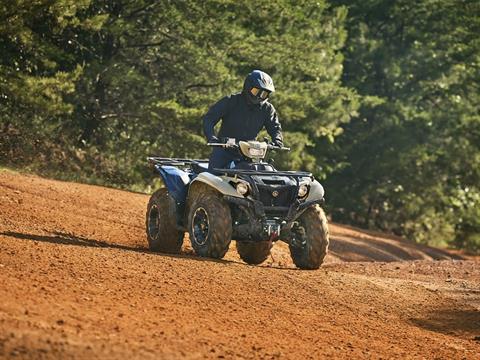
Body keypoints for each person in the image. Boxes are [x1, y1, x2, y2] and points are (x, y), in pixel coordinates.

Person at [203, 70, 283, 170]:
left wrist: (277, 140)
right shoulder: (231, 101)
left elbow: (275, 128)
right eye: (256, 91)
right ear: (248, 87)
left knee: (267, 171)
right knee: (213, 177)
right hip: (224, 151)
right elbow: (209, 119)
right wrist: (211, 137)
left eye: (264, 94)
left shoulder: (267, 109)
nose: (259, 96)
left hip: (250, 153)